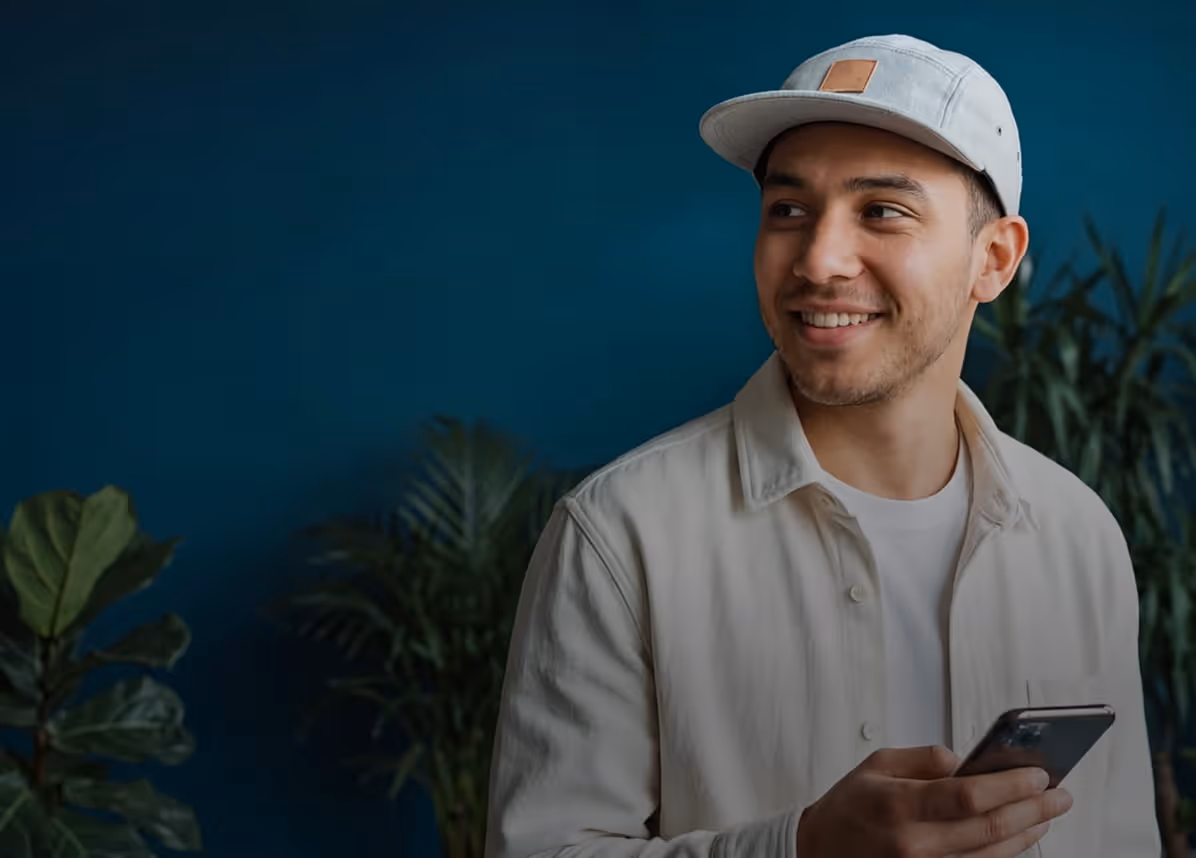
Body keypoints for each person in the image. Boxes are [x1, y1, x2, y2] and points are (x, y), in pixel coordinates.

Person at [483, 34, 1160, 857]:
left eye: (882, 210)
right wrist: (800, 849)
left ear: (994, 259)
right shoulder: (620, 535)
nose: (818, 258)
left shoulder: (1078, 535)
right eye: (789, 210)